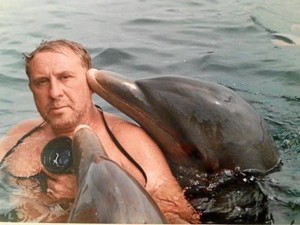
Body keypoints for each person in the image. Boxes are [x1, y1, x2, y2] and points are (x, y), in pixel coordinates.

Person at [0, 39, 200, 223]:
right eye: (41, 82)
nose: (54, 92)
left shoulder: (130, 143)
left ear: (90, 84)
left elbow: (181, 217)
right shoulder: (19, 136)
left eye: (65, 77)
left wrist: (88, 197)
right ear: (31, 88)